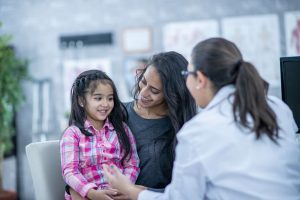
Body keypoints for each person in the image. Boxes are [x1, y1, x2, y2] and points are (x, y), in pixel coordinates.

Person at [103, 37, 300, 200]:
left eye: (187, 74)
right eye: (143, 82)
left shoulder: (197, 129)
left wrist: (132, 191)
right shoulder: (278, 108)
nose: (144, 92)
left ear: (201, 80)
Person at [60, 69, 140, 200]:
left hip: (118, 195)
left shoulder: (122, 129)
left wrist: (124, 187)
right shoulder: (72, 134)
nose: (105, 104)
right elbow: (70, 172)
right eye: (98, 98)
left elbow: (132, 164)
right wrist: (92, 193)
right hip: (87, 195)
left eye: (110, 98)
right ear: (81, 101)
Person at [124, 51, 197, 189]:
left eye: (154, 91)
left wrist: (145, 193)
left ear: (172, 94)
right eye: (143, 81)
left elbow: (187, 191)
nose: (143, 93)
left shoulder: (183, 128)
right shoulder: (117, 112)